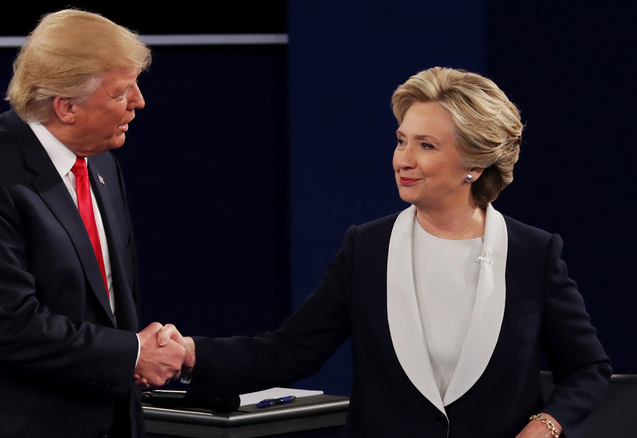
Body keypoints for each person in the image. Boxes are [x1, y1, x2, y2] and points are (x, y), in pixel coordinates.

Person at [153, 67, 612, 437]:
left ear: (474, 163)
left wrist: (546, 426)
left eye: (426, 145)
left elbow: (588, 369)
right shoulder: (367, 247)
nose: (402, 159)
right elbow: (291, 351)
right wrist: (190, 354)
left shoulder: (533, 252)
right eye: (401, 139)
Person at [0, 9, 186, 438]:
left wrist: (139, 348)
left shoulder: (101, 165)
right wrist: (132, 354)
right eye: (122, 92)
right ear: (66, 107)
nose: (139, 102)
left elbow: (106, 306)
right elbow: (5, 326)